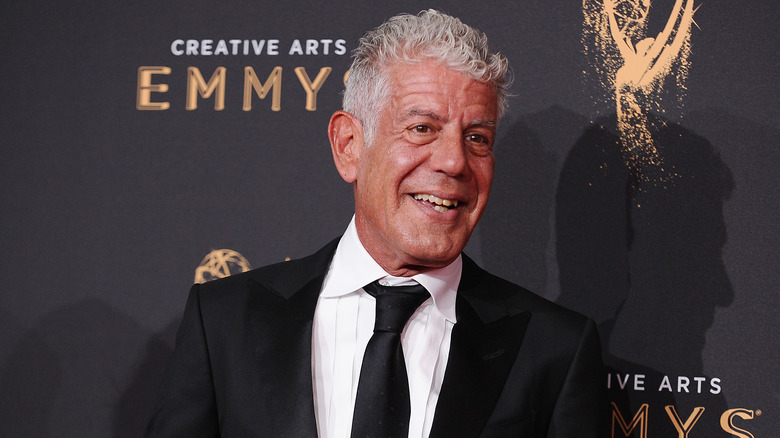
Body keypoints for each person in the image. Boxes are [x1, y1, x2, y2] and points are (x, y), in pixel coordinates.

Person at [146, 10, 605, 438]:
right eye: (422, 128)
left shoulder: (555, 350)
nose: (454, 161)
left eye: (477, 138)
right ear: (349, 145)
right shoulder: (224, 320)